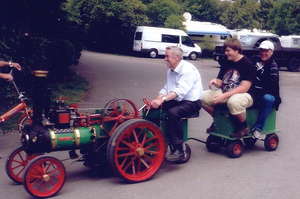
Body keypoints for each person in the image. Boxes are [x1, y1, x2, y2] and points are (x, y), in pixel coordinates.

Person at [151, 46, 203, 162]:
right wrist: (157, 100)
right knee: (153, 110)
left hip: (192, 102)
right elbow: (167, 88)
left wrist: (162, 100)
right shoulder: (171, 70)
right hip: (179, 100)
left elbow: (180, 91)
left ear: (177, 57)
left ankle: (178, 149)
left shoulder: (188, 70)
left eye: (167, 56)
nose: (165, 59)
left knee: (173, 113)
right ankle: (154, 141)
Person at [200, 38, 256, 138]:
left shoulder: (247, 64)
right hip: (225, 91)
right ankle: (219, 120)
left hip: (245, 95)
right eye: (225, 50)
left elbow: (244, 88)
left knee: (234, 101)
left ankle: (243, 126)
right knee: (200, 97)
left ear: (236, 50)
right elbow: (220, 82)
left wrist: (224, 96)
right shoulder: (226, 62)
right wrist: (215, 81)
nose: (226, 53)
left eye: (228, 50)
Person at [248, 40, 281, 139]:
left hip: (266, 94)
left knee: (268, 98)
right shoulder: (253, 60)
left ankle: (258, 128)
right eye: (262, 50)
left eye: (266, 51)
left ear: (271, 52)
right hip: (253, 93)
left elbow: (272, 87)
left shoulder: (273, 66)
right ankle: (242, 126)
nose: (263, 53)